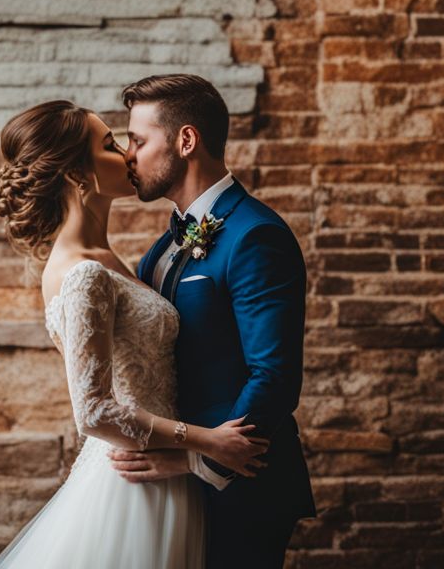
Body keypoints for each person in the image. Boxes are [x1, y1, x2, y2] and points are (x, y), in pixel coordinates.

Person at [0, 99, 268, 569]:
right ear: (78, 174)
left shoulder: (115, 260)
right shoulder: (83, 274)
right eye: (111, 144)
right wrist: (206, 442)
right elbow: (93, 411)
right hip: (131, 485)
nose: (128, 155)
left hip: (167, 473)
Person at [106, 74, 316, 569]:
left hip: (242, 492)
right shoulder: (164, 246)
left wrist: (194, 460)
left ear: (185, 141)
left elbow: (274, 377)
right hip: (173, 485)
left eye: (138, 140)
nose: (128, 155)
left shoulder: (256, 236)